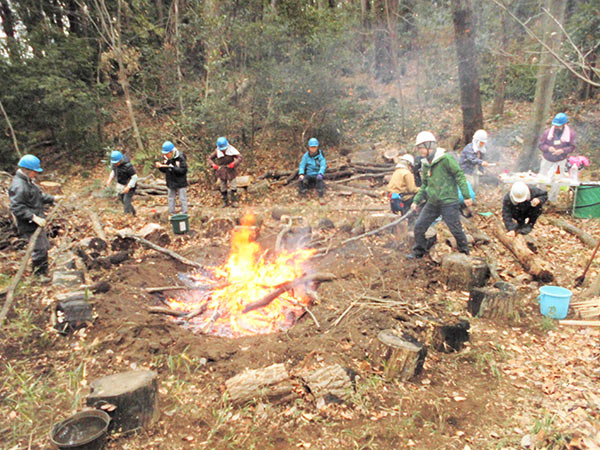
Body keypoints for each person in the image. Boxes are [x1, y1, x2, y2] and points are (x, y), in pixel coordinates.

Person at [407, 131, 472, 259]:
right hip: (433, 202)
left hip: (448, 202)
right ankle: (419, 251)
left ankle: (465, 253)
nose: (419, 151)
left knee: (456, 229)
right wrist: (416, 200)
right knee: (419, 226)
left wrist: (466, 195)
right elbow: (425, 185)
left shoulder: (446, 159)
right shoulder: (425, 164)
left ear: (429, 145)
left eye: (420, 147)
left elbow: (459, 175)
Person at [9, 154, 57, 278]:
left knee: (44, 246)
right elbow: (17, 207)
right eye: (35, 172)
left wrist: (53, 198)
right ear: (27, 170)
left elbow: (38, 197)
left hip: (36, 220)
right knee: (39, 249)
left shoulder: (28, 182)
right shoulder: (19, 186)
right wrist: (33, 217)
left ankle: (43, 272)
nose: (36, 174)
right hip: (29, 224)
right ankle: (39, 276)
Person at [538, 112, 576, 202]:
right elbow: (541, 145)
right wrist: (548, 148)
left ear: (564, 124)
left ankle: (552, 200)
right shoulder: (547, 132)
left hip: (560, 161)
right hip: (547, 159)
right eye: (555, 125)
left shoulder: (571, 134)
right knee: (541, 179)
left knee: (557, 180)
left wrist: (562, 150)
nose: (556, 127)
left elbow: (572, 146)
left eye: (559, 125)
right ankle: (540, 198)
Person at [207, 137, 242, 207]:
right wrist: (213, 165)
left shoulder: (232, 150)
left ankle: (234, 202)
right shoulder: (217, 151)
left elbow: (240, 157)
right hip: (221, 170)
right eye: (222, 149)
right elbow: (209, 158)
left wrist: (234, 163)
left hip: (231, 169)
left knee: (233, 185)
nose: (223, 150)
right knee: (223, 186)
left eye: (224, 149)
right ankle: (225, 202)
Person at [155, 140, 188, 215]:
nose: (166, 155)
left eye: (167, 154)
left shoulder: (180, 158)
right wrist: (160, 167)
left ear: (172, 152)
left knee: (182, 198)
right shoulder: (166, 159)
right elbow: (165, 170)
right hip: (170, 182)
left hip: (180, 182)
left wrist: (173, 168)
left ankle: (184, 212)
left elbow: (183, 170)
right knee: (171, 198)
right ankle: (172, 212)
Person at [106, 150, 137, 215]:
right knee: (122, 199)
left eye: (117, 162)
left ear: (121, 160)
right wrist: (109, 179)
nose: (116, 164)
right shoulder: (115, 165)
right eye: (114, 163)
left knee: (126, 200)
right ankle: (133, 212)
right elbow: (113, 171)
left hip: (130, 185)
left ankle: (127, 215)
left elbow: (134, 177)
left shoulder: (128, 166)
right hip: (121, 184)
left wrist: (128, 187)